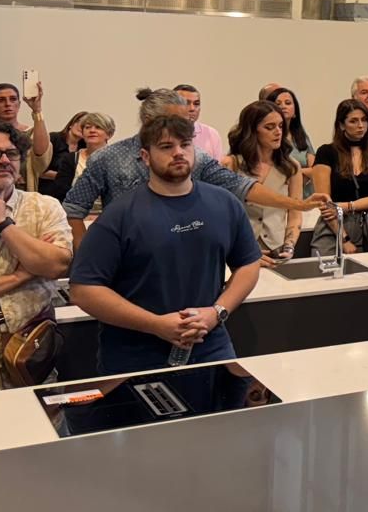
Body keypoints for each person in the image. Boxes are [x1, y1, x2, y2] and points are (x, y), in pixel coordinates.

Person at [69, 115, 262, 376]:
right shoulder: (119, 215)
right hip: (135, 354)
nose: (178, 153)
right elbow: (84, 290)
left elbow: (249, 263)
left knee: (223, 416)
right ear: (145, 157)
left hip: (210, 345)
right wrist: (155, 324)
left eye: (185, 145)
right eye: (166, 147)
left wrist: (216, 312)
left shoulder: (224, 204)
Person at [65, 88, 325, 246]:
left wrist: (298, 204)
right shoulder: (109, 158)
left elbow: (242, 187)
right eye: (176, 120)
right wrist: (86, 251)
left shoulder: (195, 157)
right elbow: (75, 208)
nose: (185, 129)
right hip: (126, 256)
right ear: (149, 120)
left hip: (182, 251)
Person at [0, 120, 72, 395]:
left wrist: (4, 225)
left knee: (44, 435)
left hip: (32, 364)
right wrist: (20, 276)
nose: (5, 160)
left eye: (12, 154)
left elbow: (56, 265)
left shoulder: (43, 207)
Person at [221, 100, 304, 265]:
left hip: (277, 249)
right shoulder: (231, 164)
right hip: (240, 250)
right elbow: (223, 216)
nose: (278, 132)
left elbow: (295, 213)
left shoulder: (291, 166)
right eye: (269, 127)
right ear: (252, 130)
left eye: (280, 126)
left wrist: (289, 245)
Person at [309, 99, 368, 256]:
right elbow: (325, 204)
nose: (361, 125)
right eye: (353, 121)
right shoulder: (326, 152)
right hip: (334, 226)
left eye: (364, 120)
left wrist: (346, 206)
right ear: (341, 125)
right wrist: (343, 239)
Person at [0, 82, 50, 191]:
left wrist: (37, 110)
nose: (7, 104)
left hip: (24, 194)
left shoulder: (31, 133)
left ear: (19, 104)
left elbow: (41, 159)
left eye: (13, 99)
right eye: (0, 100)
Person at [36, 110, 87, 201]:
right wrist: (65, 177)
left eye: (86, 126)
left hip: (69, 197)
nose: (82, 127)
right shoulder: (53, 138)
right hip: (46, 193)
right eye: (81, 123)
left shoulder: (84, 147)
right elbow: (39, 170)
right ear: (71, 124)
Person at [174, 84, 225, 161]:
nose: (192, 108)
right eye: (186, 103)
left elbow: (218, 168)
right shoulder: (162, 132)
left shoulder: (211, 134)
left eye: (196, 104)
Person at [271, 87, 315, 172]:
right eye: (278, 104)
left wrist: (297, 173)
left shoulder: (301, 135)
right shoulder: (269, 136)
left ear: (295, 112)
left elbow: (314, 169)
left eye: (288, 103)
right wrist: (301, 172)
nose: (283, 106)